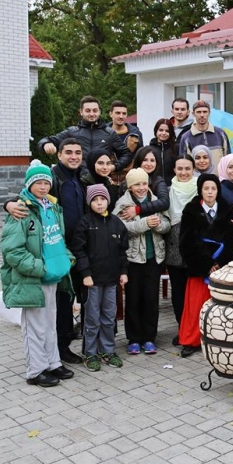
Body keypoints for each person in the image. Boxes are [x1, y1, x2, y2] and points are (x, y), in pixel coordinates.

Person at [5, 138, 87, 365]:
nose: (74, 156)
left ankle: (59, 351)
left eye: (78, 152)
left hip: (70, 253)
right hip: (50, 256)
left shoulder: (80, 177)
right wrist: (9, 204)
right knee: (56, 306)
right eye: (68, 152)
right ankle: (52, 355)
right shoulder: (53, 177)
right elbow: (29, 196)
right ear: (59, 155)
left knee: (67, 300)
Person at [0, 160, 75, 387]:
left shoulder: (51, 207)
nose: (43, 187)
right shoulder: (21, 210)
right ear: (29, 184)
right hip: (33, 277)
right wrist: (39, 268)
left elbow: (57, 238)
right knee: (34, 326)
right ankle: (36, 370)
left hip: (53, 275)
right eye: (38, 183)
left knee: (50, 322)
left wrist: (66, 257)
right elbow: (12, 251)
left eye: (46, 182)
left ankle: (52, 362)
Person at [178, 174, 233, 357]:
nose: (210, 192)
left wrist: (220, 264)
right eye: (206, 188)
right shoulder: (190, 210)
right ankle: (191, 341)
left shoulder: (226, 210)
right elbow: (187, 241)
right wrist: (207, 264)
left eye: (213, 188)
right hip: (200, 269)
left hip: (222, 269)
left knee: (220, 307)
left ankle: (218, 339)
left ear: (218, 190)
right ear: (200, 190)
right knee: (195, 306)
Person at [71, 184, 129, 371]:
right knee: (92, 318)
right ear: (89, 203)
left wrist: (123, 272)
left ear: (107, 201)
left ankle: (108, 350)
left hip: (111, 281)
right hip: (92, 281)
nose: (99, 203)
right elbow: (79, 251)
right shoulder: (84, 223)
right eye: (95, 200)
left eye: (102, 199)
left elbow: (122, 252)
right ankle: (90, 352)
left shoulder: (116, 223)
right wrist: (86, 274)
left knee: (109, 317)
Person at [115, 168, 171, 355]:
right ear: (130, 187)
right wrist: (144, 224)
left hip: (153, 257)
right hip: (132, 259)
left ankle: (149, 338)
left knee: (150, 299)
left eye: (144, 184)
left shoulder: (155, 201)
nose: (141, 188)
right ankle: (133, 338)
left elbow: (166, 224)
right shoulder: (123, 204)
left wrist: (158, 224)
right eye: (137, 184)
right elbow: (121, 228)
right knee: (133, 299)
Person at [37, 96, 133, 173]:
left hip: (100, 181)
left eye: (95, 110)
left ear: (99, 112)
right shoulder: (72, 131)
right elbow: (45, 140)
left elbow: (127, 154)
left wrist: (113, 167)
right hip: (77, 179)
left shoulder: (109, 133)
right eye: (88, 111)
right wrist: (46, 144)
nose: (91, 114)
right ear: (81, 112)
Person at [164, 156, 198, 343]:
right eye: (180, 169)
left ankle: (195, 330)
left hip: (195, 247)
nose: (184, 172)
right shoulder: (169, 191)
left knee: (195, 293)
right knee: (178, 293)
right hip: (174, 245)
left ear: (193, 169)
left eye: (187, 168)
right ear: (174, 170)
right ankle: (182, 328)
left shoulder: (200, 189)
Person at [117, 146, 171, 220]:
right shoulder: (125, 184)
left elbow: (164, 202)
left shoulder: (158, 181)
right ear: (139, 161)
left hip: (156, 222)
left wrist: (138, 209)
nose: (149, 164)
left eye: (152, 160)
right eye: (145, 160)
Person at [178, 100, 231, 170]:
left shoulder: (221, 134)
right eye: (199, 112)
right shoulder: (186, 137)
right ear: (193, 114)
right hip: (196, 180)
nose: (202, 115)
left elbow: (228, 160)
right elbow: (183, 164)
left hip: (218, 180)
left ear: (209, 113)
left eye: (205, 112)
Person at [82, 148, 120, 212]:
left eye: (108, 163)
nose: (105, 167)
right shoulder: (83, 185)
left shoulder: (111, 185)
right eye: (100, 163)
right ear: (92, 164)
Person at [149, 118, 178, 184]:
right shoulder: (150, 149)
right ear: (156, 131)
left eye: (167, 131)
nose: (164, 133)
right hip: (155, 185)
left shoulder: (176, 148)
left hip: (173, 185)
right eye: (161, 130)